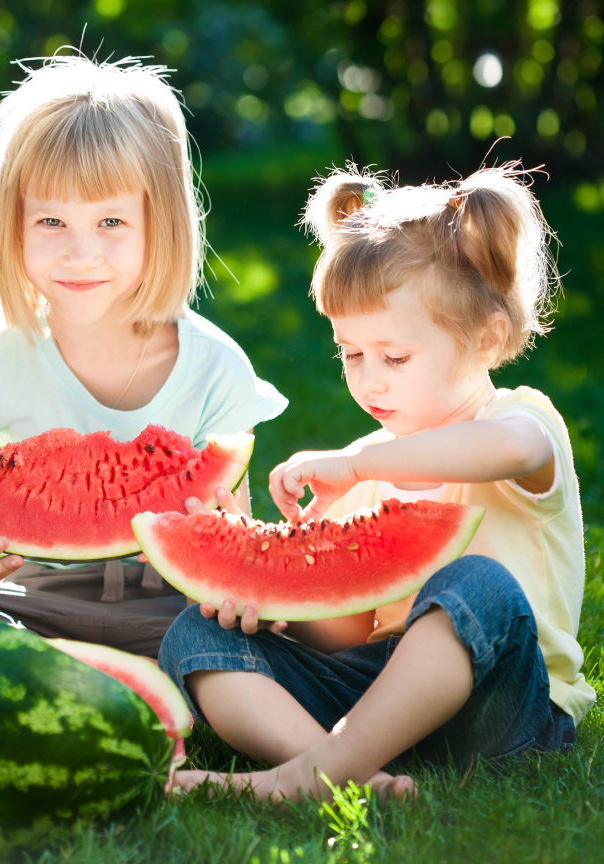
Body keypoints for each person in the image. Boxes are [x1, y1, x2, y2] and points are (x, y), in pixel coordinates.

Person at [158, 164, 595, 801]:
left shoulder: (521, 421)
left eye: (394, 357)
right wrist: (272, 600)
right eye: (349, 353)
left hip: (504, 707)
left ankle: (306, 777)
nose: (369, 380)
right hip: (375, 700)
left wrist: (361, 466)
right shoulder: (366, 461)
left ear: (486, 338)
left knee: (479, 584)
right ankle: (347, 773)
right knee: (193, 636)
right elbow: (350, 628)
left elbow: (508, 449)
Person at [0, 55, 286, 656]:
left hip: (171, 616)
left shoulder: (216, 369)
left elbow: (229, 537)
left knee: (265, 632)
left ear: (163, 224)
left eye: (111, 221)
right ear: (11, 223)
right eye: (51, 220)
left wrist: (237, 580)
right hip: (20, 604)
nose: (81, 254)